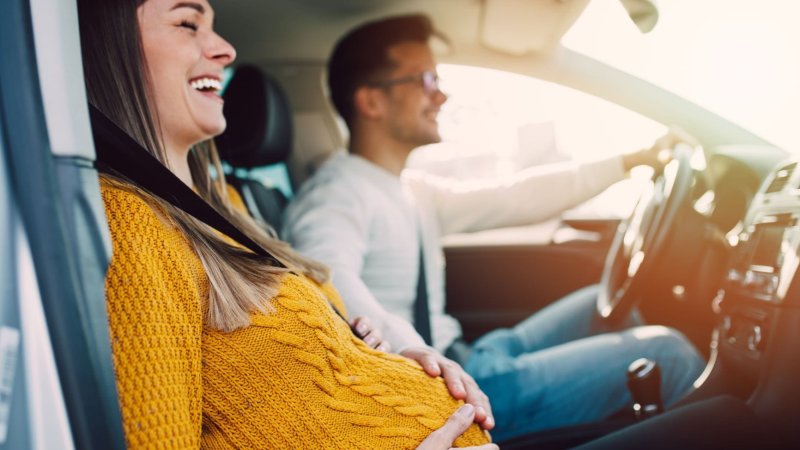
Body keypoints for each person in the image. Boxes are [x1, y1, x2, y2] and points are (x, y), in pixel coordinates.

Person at [78, 0, 498, 448]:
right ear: (111, 49)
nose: (225, 49)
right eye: (188, 24)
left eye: (213, 28)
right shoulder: (130, 226)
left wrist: (385, 345)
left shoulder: (225, 207)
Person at [283, 14, 706, 441]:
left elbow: (514, 196)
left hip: (472, 353)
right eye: (424, 80)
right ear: (371, 102)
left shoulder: (408, 187)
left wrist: (629, 162)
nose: (441, 95)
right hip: (454, 382)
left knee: (604, 304)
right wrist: (417, 353)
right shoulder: (335, 195)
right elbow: (330, 278)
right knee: (667, 353)